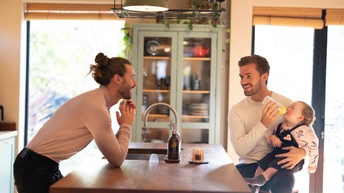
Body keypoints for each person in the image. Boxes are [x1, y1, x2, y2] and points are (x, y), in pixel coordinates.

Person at [13, 53, 137, 193]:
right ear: (117, 79)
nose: (135, 83)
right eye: (132, 77)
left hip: (38, 165)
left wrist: (123, 126)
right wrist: (126, 125)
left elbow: (112, 151)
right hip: (35, 168)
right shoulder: (97, 108)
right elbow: (117, 159)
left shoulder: (97, 101)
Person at [228, 55, 307, 193]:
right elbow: (240, 150)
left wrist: (303, 152)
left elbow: (307, 134)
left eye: (248, 76)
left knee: (285, 181)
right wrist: (262, 124)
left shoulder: (287, 106)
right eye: (241, 77)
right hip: (248, 164)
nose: (243, 81)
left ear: (264, 77)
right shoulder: (237, 110)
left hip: (277, 164)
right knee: (238, 185)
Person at [244, 101, 319, 193]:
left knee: (278, 162)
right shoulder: (281, 126)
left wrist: (312, 165)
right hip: (277, 153)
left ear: (300, 117)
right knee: (263, 163)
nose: (288, 108)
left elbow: (314, 147)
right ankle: (255, 184)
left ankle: (262, 179)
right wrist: (273, 138)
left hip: (293, 160)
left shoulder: (306, 130)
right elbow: (270, 140)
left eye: (292, 108)